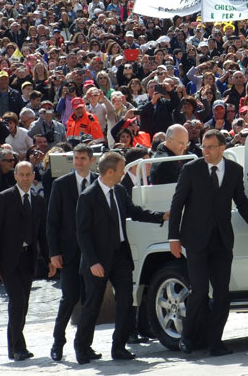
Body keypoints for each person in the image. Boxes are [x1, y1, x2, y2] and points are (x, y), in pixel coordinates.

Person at [169, 129, 248, 356]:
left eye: (210, 147)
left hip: (222, 240)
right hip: (195, 240)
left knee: (223, 294)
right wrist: (173, 237)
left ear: (222, 148)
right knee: (199, 292)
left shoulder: (234, 170)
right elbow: (177, 205)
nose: (205, 151)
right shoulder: (191, 170)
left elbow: (241, 201)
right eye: (203, 146)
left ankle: (215, 342)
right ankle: (187, 337)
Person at [74, 151, 168, 364]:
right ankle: (82, 347)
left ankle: (119, 347)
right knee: (92, 305)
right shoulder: (88, 196)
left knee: (126, 301)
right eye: (121, 169)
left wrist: (161, 216)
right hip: (97, 260)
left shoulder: (120, 190)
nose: (124, 173)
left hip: (120, 256)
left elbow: (135, 212)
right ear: (109, 171)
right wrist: (93, 262)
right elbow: (83, 233)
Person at [0, 161, 55, 361]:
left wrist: (50, 257)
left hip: (28, 258)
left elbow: (43, 233)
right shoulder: (4, 198)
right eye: (22, 175)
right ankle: (17, 347)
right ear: (16, 176)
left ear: (34, 176)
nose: (25, 178)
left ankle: (16, 346)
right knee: (16, 302)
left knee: (23, 304)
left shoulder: (38, 200)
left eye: (28, 174)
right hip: (8, 260)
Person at [46, 144, 98, 362]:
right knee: (69, 297)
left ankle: (85, 345)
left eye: (83, 158)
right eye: (76, 158)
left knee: (90, 300)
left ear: (91, 160)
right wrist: (54, 252)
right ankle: (58, 343)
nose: (78, 162)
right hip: (68, 252)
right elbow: (52, 222)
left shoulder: (99, 181)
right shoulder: (61, 184)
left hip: (93, 253)